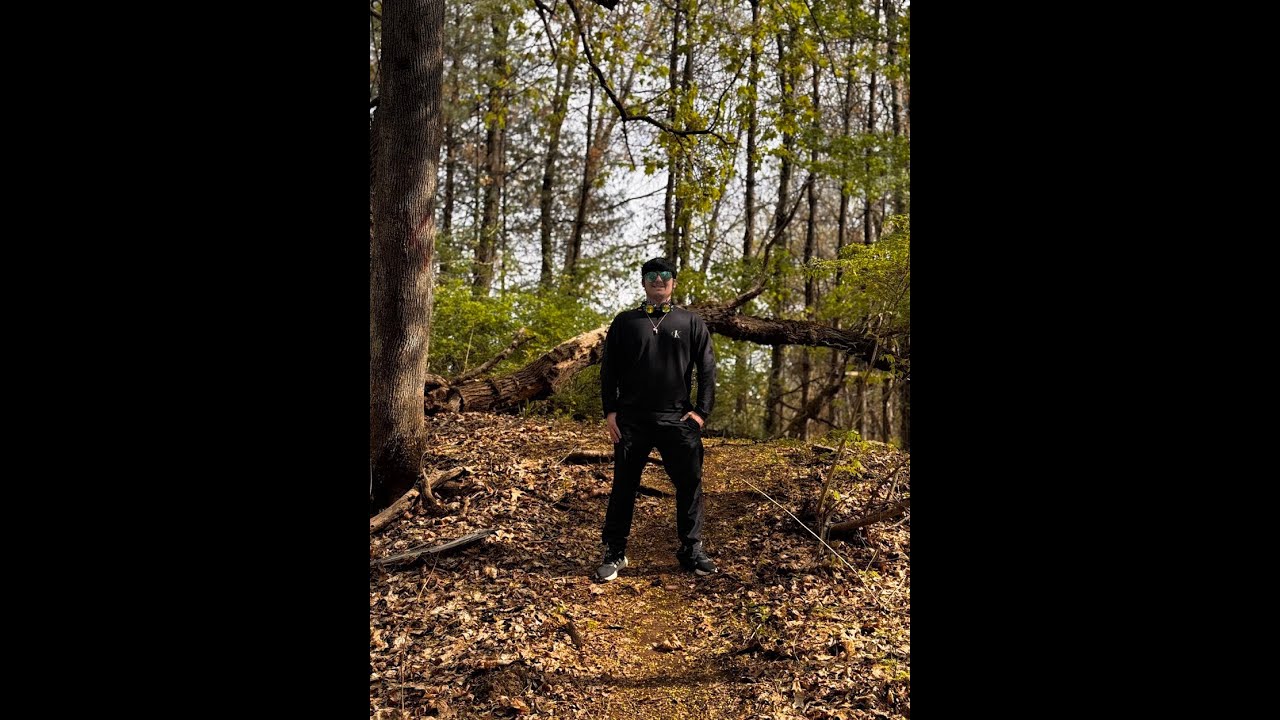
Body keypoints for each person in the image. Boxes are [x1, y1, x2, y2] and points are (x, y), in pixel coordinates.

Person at [595, 257, 718, 582]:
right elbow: (609, 369)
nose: (658, 280)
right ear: (643, 282)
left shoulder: (691, 322)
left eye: (664, 275)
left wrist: (701, 412)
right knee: (624, 486)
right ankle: (615, 552)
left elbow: (707, 368)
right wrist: (610, 411)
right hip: (631, 419)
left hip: (678, 419)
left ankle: (691, 550)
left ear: (673, 281)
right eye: (651, 275)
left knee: (689, 484)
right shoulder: (625, 322)